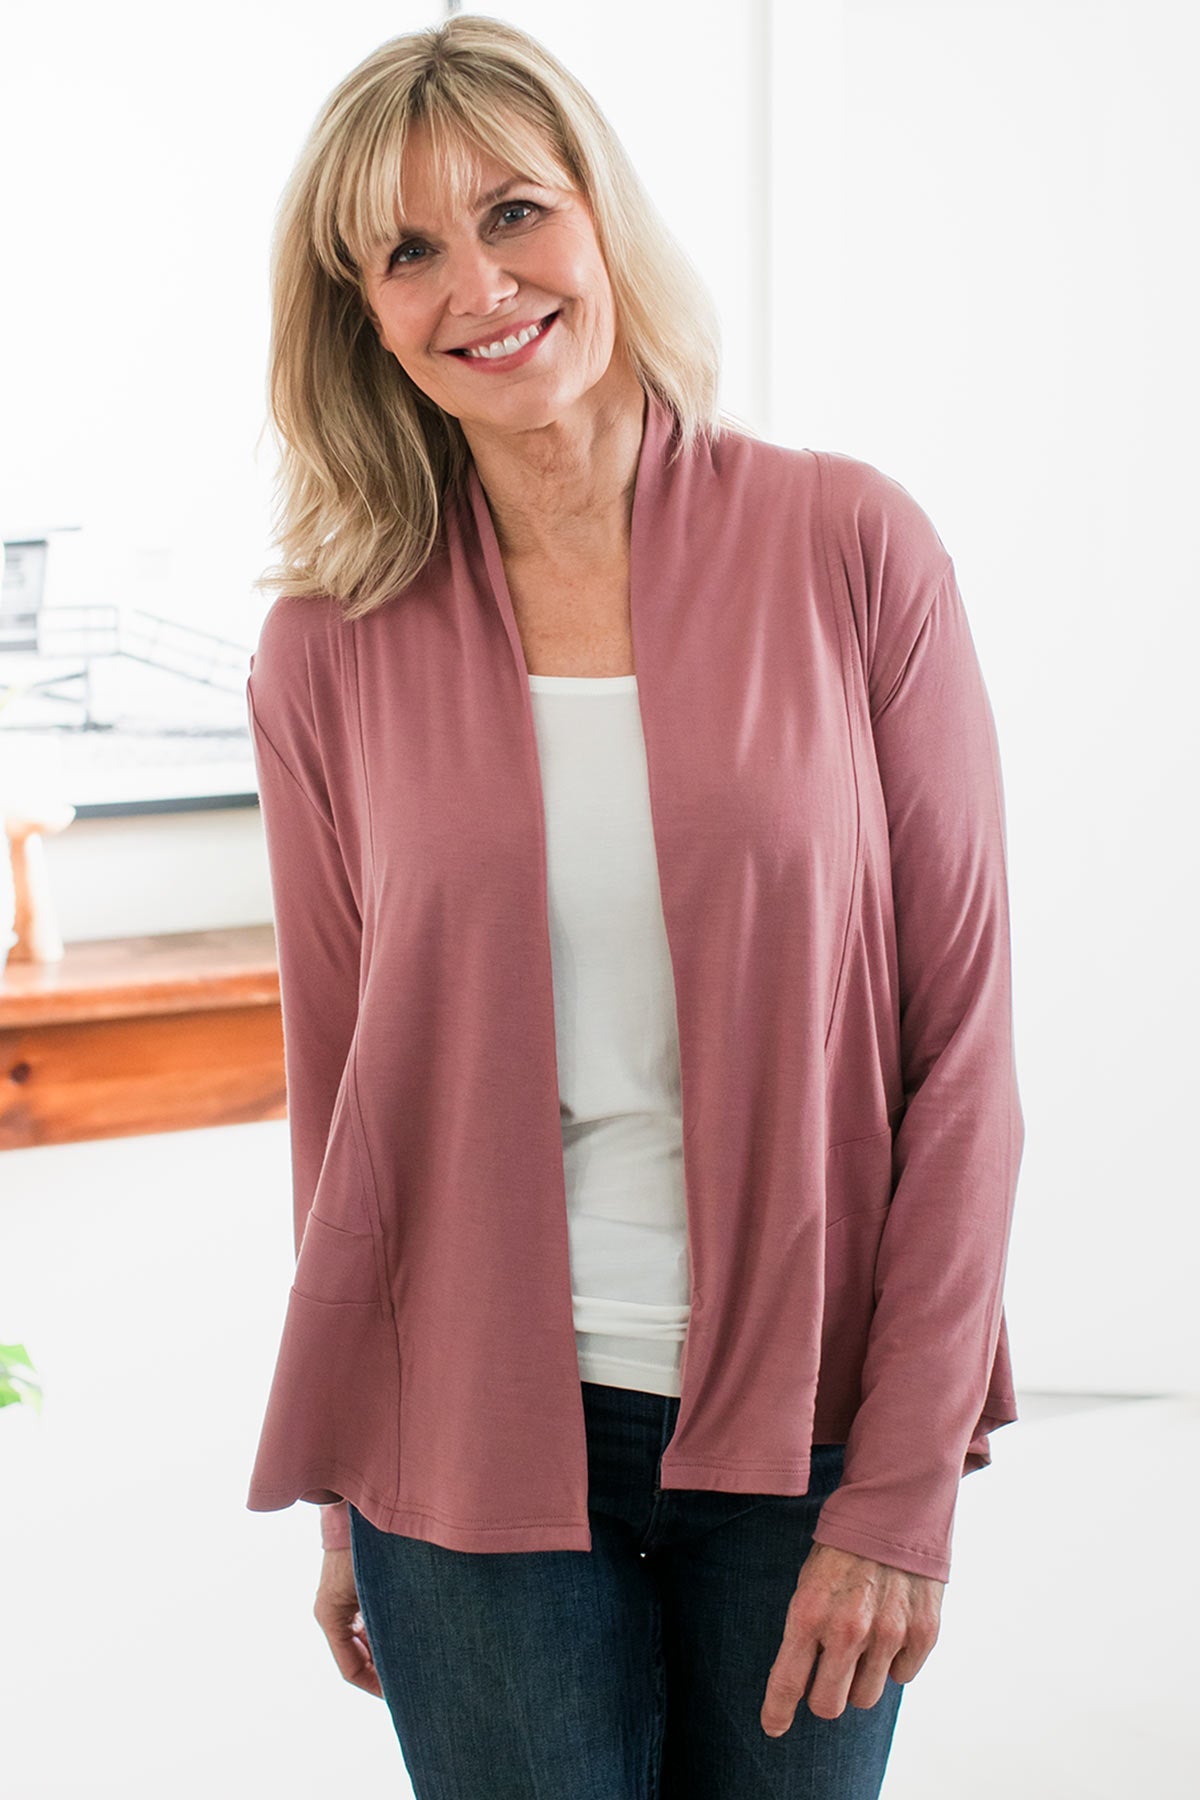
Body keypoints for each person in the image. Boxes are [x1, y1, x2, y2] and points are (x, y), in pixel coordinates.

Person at [244, 15, 1025, 1799]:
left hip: (810, 1434)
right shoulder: (325, 649)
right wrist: (357, 1490)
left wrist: (905, 1484)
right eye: (409, 252)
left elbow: (965, 1049)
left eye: (515, 212)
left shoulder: (850, 545)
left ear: (603, 216)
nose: (479, 286)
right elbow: (342, 1103)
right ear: (362, 313)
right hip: (464, 1443)